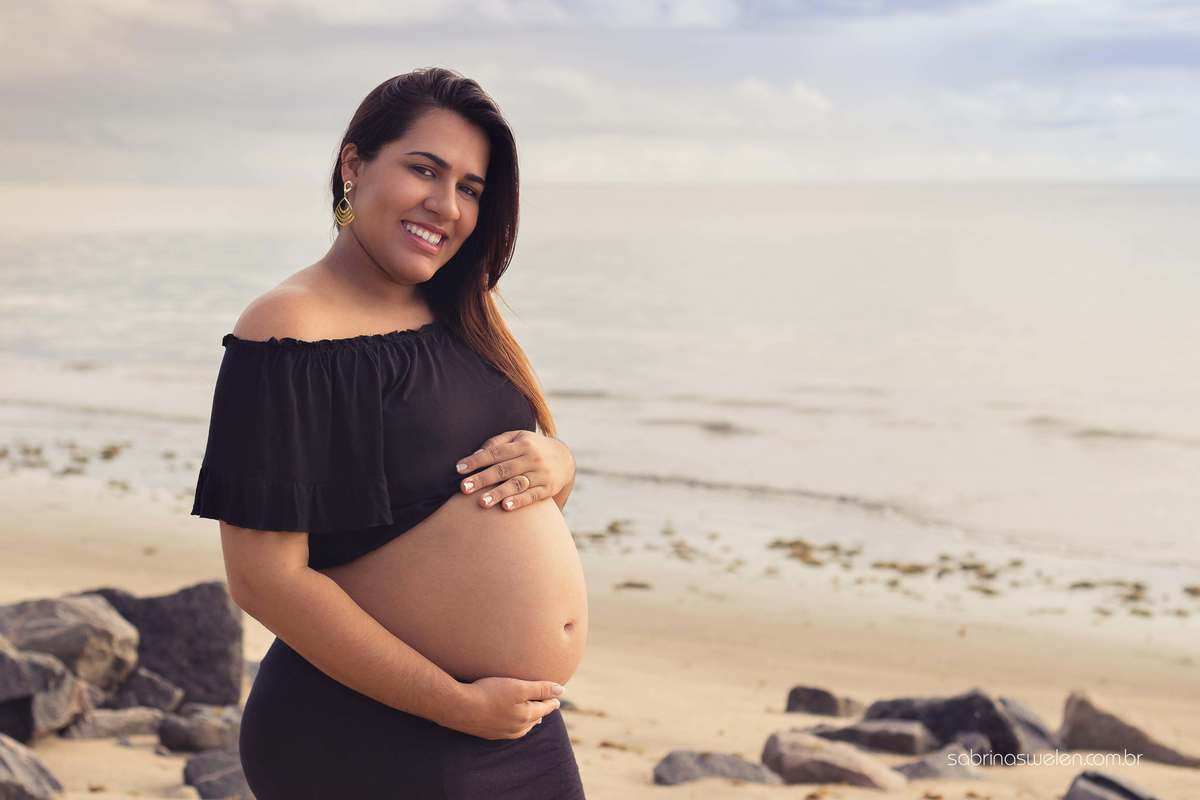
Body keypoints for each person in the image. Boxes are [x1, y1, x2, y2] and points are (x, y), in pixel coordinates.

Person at [191, 67, 588, 798]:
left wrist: (557, 462)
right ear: (354, 164)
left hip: (511, 723)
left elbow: (477, 498)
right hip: (375, 724)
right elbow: (265, 579)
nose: (447, 205)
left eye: (471, 188)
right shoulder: (288, 328)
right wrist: (457, 705)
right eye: (424, 170)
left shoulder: (461, 313)